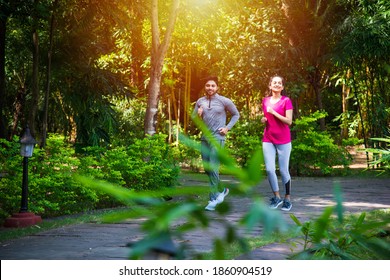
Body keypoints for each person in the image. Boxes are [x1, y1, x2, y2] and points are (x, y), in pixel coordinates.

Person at [193, 76, 240, 211]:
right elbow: (194, 118)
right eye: (208, 85)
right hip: (205, 138)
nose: (210, 88)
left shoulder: (224, 101)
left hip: (218, 138)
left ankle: (212, 199)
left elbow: (236, 114)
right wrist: (199, 114)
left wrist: (227, 128)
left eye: (213, 85)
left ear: (217, 87)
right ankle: (223, 190)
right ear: (205, 87)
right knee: (207, 169)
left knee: (213, 167)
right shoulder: (200, 101)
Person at [261, 75, 293, 211]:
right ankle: (277, 196)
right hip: (268, 138)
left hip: (283, 140)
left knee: (284, 170)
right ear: (270, 85)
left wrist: (273, 112)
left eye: (280, 83)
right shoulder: (265, 100)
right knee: (269, 169)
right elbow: (267, 118)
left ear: (282, 87)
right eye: (274, 82)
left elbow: (289, 121)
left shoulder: (286, 101)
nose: (277, 84)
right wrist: (264, 119)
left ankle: (287, 198)